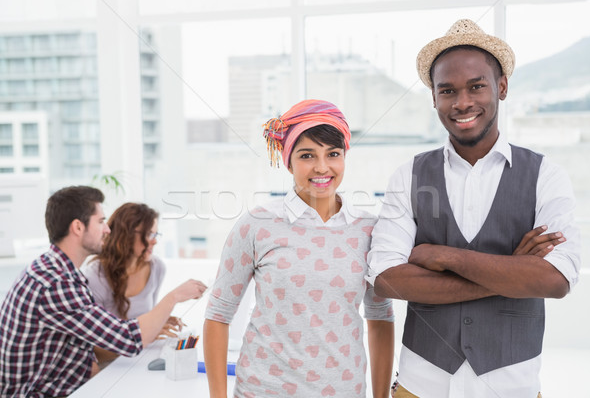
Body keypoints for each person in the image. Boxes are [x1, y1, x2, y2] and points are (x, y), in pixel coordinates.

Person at [367, 19, 581, 398]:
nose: (462, 102)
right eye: (447, 90)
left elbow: (555, 279)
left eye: (476, 86)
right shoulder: (408, 175)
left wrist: (440, 255)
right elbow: (386, 278)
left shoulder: (546, 174)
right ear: (433, 97)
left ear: (501, 87)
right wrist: (512, 272)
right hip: (421, 383)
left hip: (511, 385)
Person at [203, 99, 395, 398]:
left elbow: (380, 317)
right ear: (288, 161)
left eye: (333, 154)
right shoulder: (256, 224)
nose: (322, 167)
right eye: (307, 155)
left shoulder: (369, 229)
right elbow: (218, 315)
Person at [0, 186, 207, 398]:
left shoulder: (55, 270)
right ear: (78, 228)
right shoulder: (57, 283)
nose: (108, 230)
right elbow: (128, 339)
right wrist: (174, 297)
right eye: (100, 222)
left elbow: (81, 347)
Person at [81, 202, 184, 366]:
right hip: (107, 368)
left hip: (139, 361)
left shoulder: (156, 268)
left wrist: (157, 323)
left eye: (156, 235)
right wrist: (145, 334)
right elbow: (91, 350)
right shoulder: (94, 276)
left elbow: (142, 319)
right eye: (149, 235)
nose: (155, 242)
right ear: (126, 235)